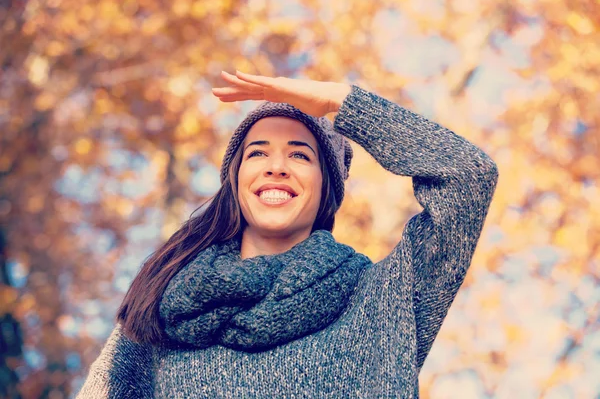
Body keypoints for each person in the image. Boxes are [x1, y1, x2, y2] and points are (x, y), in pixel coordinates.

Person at [76, 70, 499, 398]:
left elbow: (468, 176)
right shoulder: (164, 304)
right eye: (258, 152)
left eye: (300, 154)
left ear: (325, 188)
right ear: (236, 180)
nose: (276, 166)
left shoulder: (383, 298)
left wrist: (340, 101)